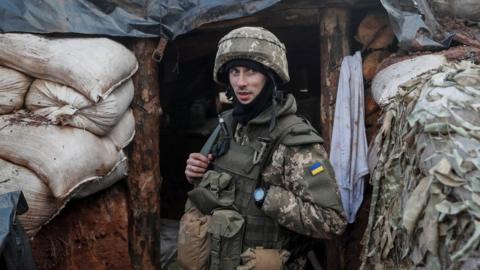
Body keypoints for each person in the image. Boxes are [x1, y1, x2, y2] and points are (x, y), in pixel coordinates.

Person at [184, 26, 346, 270]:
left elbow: (332, 221)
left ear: (270, 76)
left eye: (251, 72)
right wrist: (197, 175)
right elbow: (219, 197)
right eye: (235, 72)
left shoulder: (294, 139)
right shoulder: (228, 124)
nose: (241, 82)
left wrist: (266, 197)